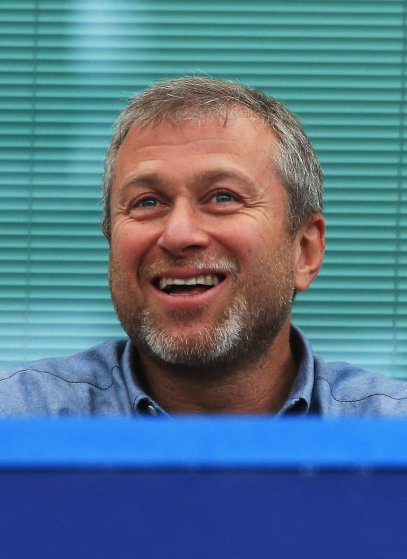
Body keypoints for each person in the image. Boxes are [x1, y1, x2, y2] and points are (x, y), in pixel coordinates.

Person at [1, 76, 406, 416]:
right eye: (147, 202)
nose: (178, 234)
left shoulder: (390, 435)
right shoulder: (20, 421)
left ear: (305, 250)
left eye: (223, 197)